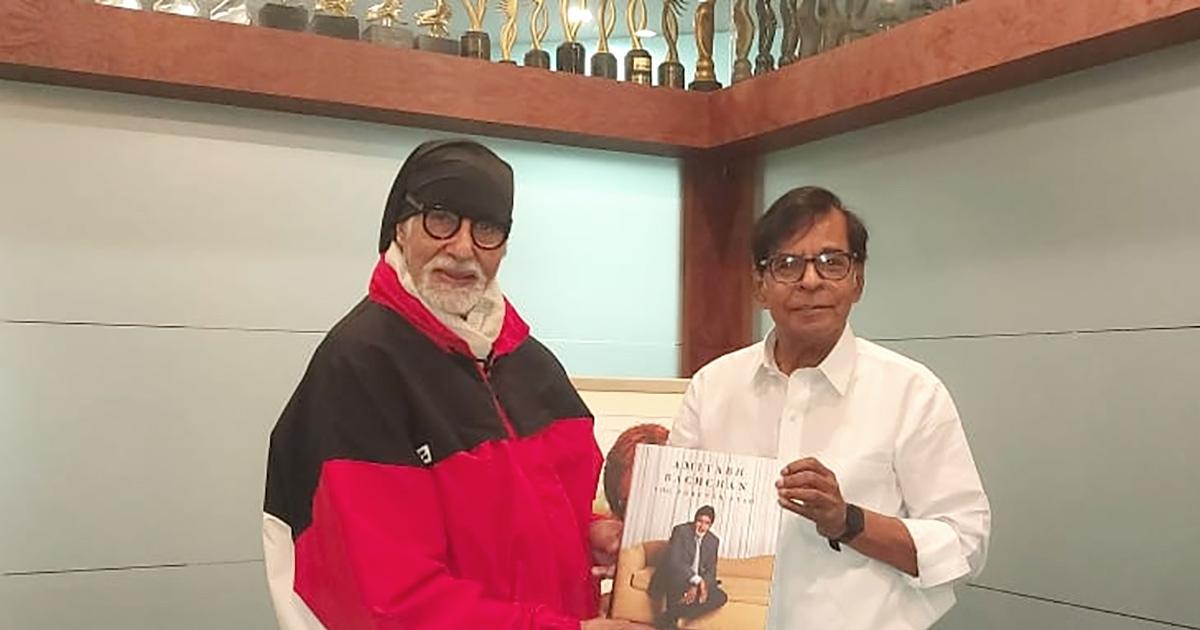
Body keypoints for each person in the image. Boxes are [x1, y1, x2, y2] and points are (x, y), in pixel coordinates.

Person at [262, 139, 643, 630]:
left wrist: (589, 535)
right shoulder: (360, 367)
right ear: (400, 228)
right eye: (440, 219)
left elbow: (524, 518)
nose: (463, 249)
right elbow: (387, 601)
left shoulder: (528, 362)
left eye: (486, 229)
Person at [669, 186, 991, 629]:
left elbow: (965, 544)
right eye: (787, 265)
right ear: (759, 286)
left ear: (857, 280)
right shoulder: (712, 386)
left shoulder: (912, 392)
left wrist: (848, 521)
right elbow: (673, 517)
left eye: (831, 262)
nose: (811, 281)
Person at [649, 506, 728, 629]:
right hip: (676, 575)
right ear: (694, 520)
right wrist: (698, 581)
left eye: (706, 523)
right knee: (675, 583)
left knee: (720, 597)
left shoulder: (713, 541)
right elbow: (675, 562)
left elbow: (711, 571)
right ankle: (670, 620)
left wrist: (698, 586)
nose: (702, 526)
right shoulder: (681, 531)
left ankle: (668, 616)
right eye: (699, 521)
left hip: (696, 582)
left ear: (711, 525)